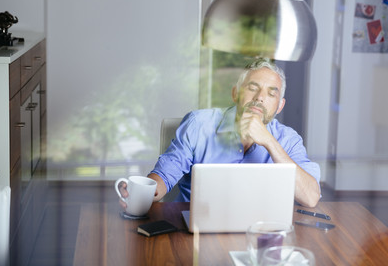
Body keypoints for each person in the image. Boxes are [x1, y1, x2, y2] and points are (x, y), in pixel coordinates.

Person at [120, 58, 321, 208]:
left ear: (279, 106)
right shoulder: (199, 124)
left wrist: (269, 141)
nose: (260, 98)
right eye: (253, 88)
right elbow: (165, 175)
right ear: (235, 93)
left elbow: (311, 197)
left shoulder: (289, 139)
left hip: (258, 233)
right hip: (195, 231)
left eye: (271, 93)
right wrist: (143, 193)